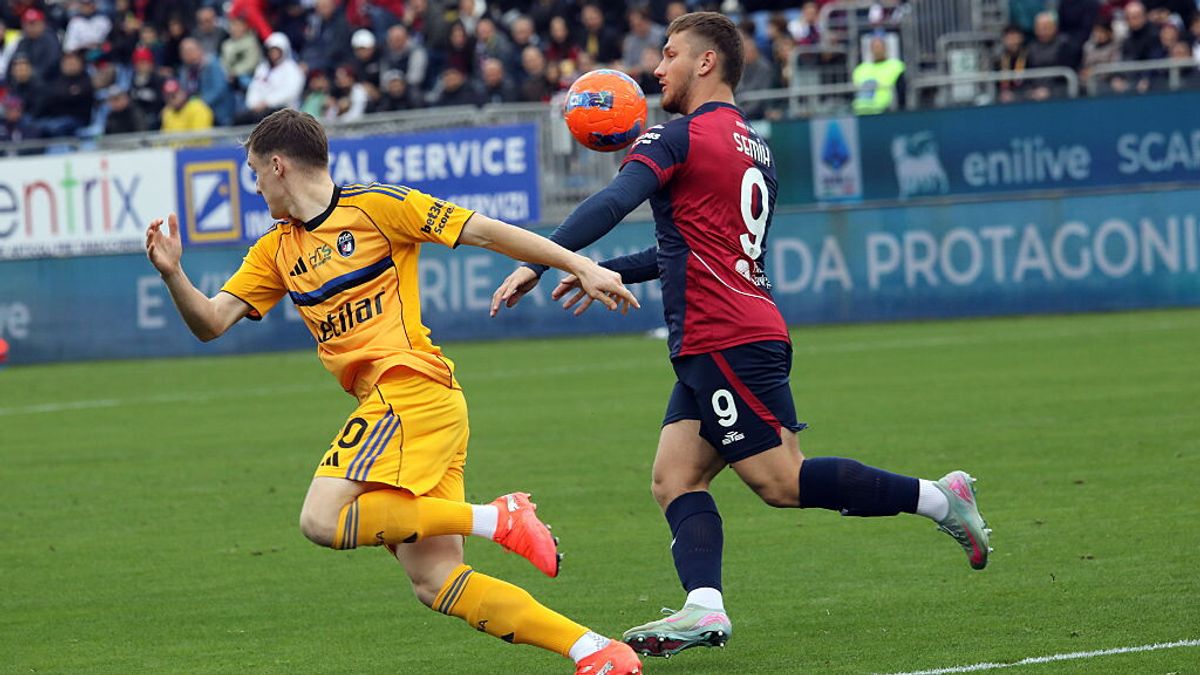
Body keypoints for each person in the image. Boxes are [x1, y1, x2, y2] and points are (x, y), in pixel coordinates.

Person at [492, 12, 991, 660]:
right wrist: (603, 268)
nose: (656, 69)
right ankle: (704, 604)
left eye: (669, 55)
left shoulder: (676, 137)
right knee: (675, 477)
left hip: (723, 335)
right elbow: (689, 248)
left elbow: (614, 201)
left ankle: (940, 498)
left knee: (782, 480)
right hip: (735, 331)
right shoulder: (753, 147)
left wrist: (540, 259)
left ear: (706, 62)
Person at [142, 108, 643, 675]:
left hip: (409, 390)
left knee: (321, 520)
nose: (255, 187)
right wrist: (173, 274)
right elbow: (211, 322)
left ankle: (497, 518)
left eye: (255, 173)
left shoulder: (378, 206)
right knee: (436, 581)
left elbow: (484, 230)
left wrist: (580, 264)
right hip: (418, 406)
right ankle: (595, 650)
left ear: (278, 166)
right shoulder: (275, 250)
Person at [852, 35, 905, 114]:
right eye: (875, 47)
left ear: (885, 48)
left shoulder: (896, 66)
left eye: (879, 47)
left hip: (886, 111)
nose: (877, 50)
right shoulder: (860, 69)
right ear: (870, 49)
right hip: (860, 111)